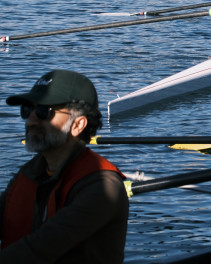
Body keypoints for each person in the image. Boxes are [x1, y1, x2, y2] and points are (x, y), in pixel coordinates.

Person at [0, 70, 129, 263]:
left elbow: (37, 251)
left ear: (78, 125)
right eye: (27, 110)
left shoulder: (102, 188)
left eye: (44, 112)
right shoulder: (31, 172)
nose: (31, 121)